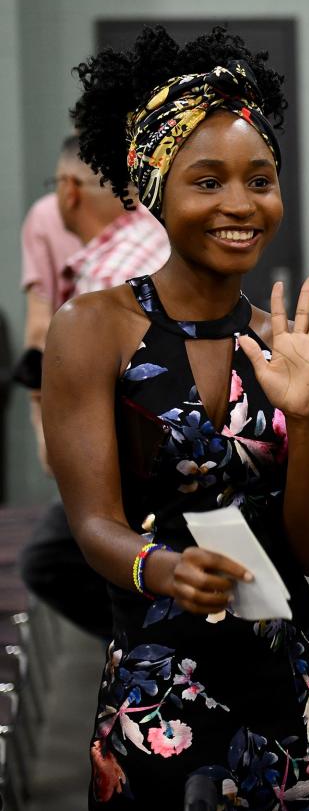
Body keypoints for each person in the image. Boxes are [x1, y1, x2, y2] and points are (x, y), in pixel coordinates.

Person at [42, 26, 309, 810]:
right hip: (161, 697)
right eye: (207, 180)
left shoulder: (279, 343)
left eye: (260, 178)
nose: (241, 204)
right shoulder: (95, 327)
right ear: (154, 189)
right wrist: (165, 567)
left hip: (292, 694)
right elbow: (92, 523)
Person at [17, 135, 168, 641]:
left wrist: (46, 430)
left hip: (135, 454)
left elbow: (43, 335)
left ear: (68, 189)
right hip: (192, 435)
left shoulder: (102, 278)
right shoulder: (153, 236)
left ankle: (154, 638)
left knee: (51, 559)